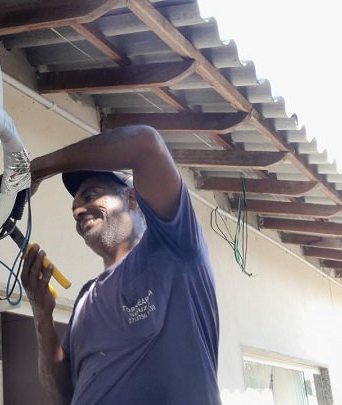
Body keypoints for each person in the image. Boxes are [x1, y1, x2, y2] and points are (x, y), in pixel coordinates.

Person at [22, 125, 220, 404]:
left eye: (90, 195)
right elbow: (62, 396)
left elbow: (145, 144)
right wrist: (42, 315)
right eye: (74, 207)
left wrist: (37, 170)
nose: (78, 210)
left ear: (132, 198)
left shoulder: (172, 245)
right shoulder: (85, 299)